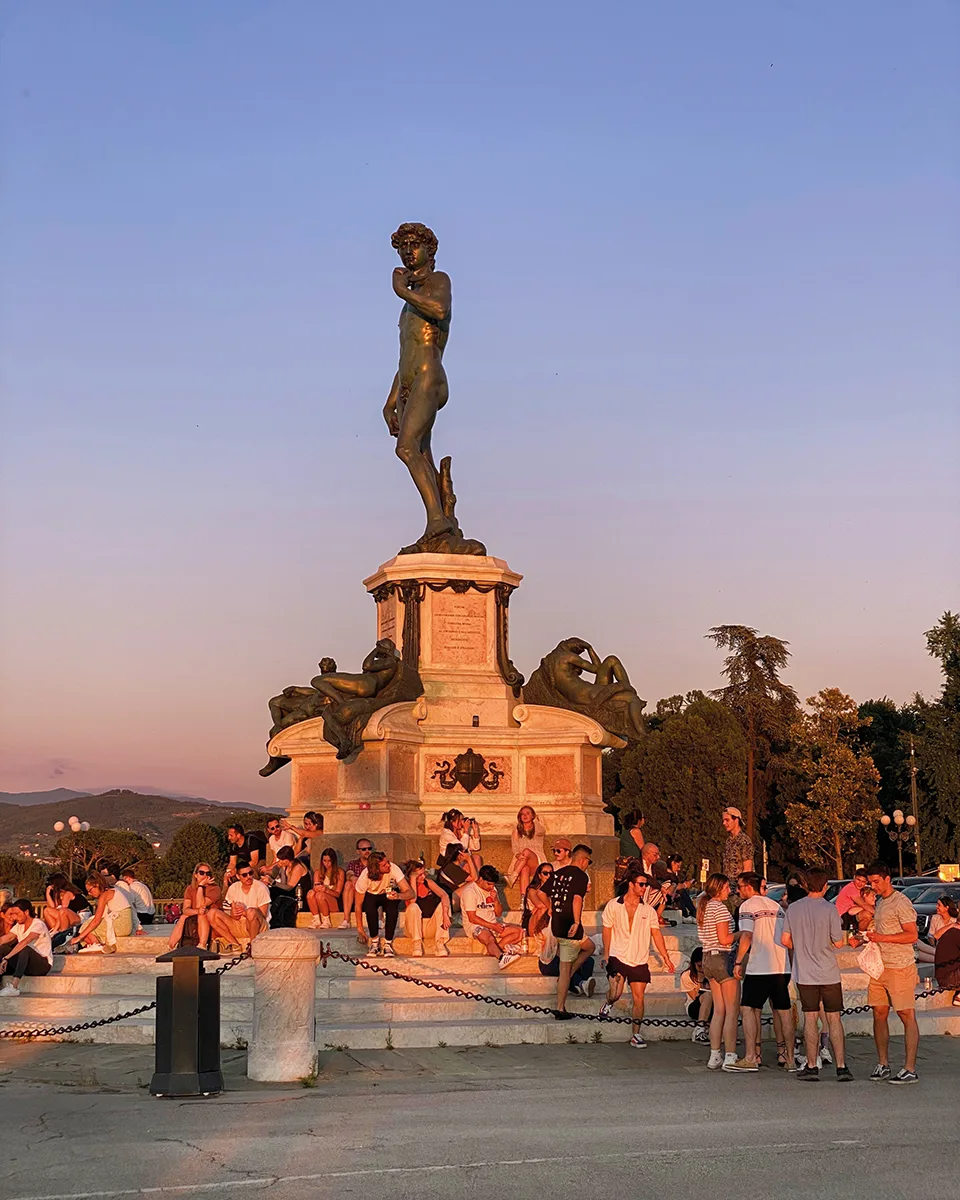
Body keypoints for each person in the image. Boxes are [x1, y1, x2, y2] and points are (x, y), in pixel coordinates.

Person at [781, 866, 852, 1082]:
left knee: (810, 1017)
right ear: (825, 886)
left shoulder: (793, 909)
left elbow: (785, 940)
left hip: (805, 973)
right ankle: (841, 1066)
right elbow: (838, 943)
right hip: (829, 972)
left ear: (804, 885)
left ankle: (811, 1065)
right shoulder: (830, 909)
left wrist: (801, 945)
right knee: (834, 1018)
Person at [599, 865, 675, 1048]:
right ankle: (608, 1002)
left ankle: (636, 1034)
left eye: (646, 885)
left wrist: (665, 957)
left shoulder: (648, 910)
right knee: (616, 993)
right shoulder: (613, 905)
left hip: (639, 958)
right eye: (641, 884)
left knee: (639, 997)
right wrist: (606, 955)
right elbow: (606, 931)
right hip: (618, 954)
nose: (644, 888)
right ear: (631, 885)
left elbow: (656, 934)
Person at [860, 860, 920, 1084]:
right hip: (880, 967)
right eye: (870, 882)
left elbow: (911, 935)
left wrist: (883, 938)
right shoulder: (881, 903)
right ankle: (883, 1063)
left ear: (887, 879)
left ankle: (910, 1068)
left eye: (876, 881)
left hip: (899, 966)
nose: (873, 886)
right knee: (879, 1013)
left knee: (906, 1014)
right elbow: (882, 929)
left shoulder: (900, 902)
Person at [729, 872, 796, 1072]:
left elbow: (747, 935)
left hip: (760, 967)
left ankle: (751, 1056)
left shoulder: (747, 906)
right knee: (783, 1011)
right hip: (781, 966)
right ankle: (790, 1057)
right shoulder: (776, 907)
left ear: (749, 887)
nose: (738, 890)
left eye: (740, 886)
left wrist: (738, 961)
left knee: (748, 1008)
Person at [543, 841, 595, 1018]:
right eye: (589, 861)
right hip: (570, 926)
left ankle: (570, 975)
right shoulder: (580, 876)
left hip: (558, 924)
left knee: (590, 947)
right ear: (583, 860)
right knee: (565, 969)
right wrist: (577, 921)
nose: (588, 865)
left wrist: (550, 907)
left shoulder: (558, 874)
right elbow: (576, 899)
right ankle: (560, 1008)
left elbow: (541, 892)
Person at [697, 873, 740, 1070]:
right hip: (723, 957)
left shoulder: (704, 907)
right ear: (719, 888)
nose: (729, 891)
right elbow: (725, 938)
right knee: (732, 1010)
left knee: (719, 1009)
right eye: (726, 887)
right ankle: (730, 1055)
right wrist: (742, 933)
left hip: (707, 957)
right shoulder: (719, 908)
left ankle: (715, 1055)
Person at [460, 865, 523, 968]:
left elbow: (498, 913)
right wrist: (492, 926)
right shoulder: (470, 891)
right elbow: (472, 918)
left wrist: (496, 901)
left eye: (493, 884)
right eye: (489, 884)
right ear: (481, 879)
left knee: (520, 932)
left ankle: (493, 949)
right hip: (475, 926)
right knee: (490, 938)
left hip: (492, 923)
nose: (491, 887)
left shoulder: (492, 889)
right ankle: (502, 957)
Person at [355, 851, 414, 957]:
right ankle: (374, 942)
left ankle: (388, 943)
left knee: (392, 909)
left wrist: (398, 896)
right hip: (371, 894)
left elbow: (410, 892)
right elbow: (358, 905)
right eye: (384, 865)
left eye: (388, 862)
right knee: (370, 909)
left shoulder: (393, 868)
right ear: (376, 868)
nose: (388, 865)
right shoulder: (364, 877)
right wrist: (360, 929)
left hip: (388, 892)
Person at [66, 872, 135, 953]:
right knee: (87, 927)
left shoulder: (105, 895)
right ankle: (95, 944)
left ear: (97, 885)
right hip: (126, 923)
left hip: (121, 924)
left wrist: (79, 937)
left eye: (90, 890)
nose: (89, 893)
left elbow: (97, 920)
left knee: (86, 927)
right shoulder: (113, 890)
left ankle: (96, 944)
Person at [208, 861, 271, 949]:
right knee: (212, 913)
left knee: (251, 912)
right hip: (239, 924)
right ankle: (235, 945)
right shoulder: (233, 888)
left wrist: (244, 912)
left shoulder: (261, 888)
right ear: (238, 876)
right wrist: (233, 914)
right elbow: (227, 910)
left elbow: (263, 915)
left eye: (250, 873)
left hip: (257, 925)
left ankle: (253, 946)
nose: (248, 877)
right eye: (244, 875)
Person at [0, 900, 54, 996]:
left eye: (17, 914)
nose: (14, 917)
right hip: (26, 964)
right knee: (3, 948)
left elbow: (25, 942)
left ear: (26, 912)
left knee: (25, 948)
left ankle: (14, 987)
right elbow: (5, 939)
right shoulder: (19, 926)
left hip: (41, 965)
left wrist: (6, 958)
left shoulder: (38, 924)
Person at [403, 860, 452, 956]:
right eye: (419, 875)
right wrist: (413, 879)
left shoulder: (428, 882)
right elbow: (413, 900)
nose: (424, 876)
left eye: (423, 873)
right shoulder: (406, 888)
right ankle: (416, 943)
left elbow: (444, 895)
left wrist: (445, 914)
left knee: (444, 904)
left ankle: (440, 943)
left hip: (430, 926)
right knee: (413, 906)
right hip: (414, 928)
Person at [168, 864, 221, 950]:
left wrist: (201, 886)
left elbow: (200, 905)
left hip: (212, 921)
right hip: (196, 918)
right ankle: (170, 946)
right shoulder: (190, 889)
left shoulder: (214, 888)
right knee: (183, 917)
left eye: (208, 873)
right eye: (202, 873)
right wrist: (197, 911)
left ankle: (202, 945)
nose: (205, 876)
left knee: (202, 913)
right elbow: (185, 909)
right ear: (195, 875)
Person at [538, 928, 596, 996]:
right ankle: (581, 983)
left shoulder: (575, 928)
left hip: (570, 957)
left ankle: (577, 985)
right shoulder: (552, 927)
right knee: (565, 965)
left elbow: (589, 947)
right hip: (550, 962)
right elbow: (557, 952)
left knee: (589, 961)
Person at [266, 846, 310, 928]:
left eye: (282, 860)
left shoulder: (297, 867)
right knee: (271, 890)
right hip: (290, 891)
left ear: (288, 859)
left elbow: (289, 887)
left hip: (299, 894)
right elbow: (283, 884)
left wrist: (273, 882)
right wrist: (282, 869)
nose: (280, 862)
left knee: (274, 891)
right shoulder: (286, 866)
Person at [505, 806, 546, 893]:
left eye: (528, 813)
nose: (525, 816)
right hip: (522, 861)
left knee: (526, 851)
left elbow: (543, 831)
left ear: (532, 816)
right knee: (525, 869)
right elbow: (515, 847)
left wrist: (535, 820)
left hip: (536, 861)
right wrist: (517, 854)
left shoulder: (537, 829)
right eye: (522, 814)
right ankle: (524, 900)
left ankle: (513, 876)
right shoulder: (516, 831)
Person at [437, 810, 482, 886]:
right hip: (451, 863)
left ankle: (475, 884)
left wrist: (476, 832)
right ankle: (474, 885)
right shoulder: (446, 834)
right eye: (460, 820)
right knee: (470, 867)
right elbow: (462, 848)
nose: (462, 822)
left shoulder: (460, 832)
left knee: (476, 858)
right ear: (452, 822)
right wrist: (466, 831)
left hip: (460, 860)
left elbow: (476, 847)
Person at [930, 897, 960, 1004]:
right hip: (948, 979)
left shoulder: (954, 929)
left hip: (946, 975)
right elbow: (935, 935)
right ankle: (958, 998)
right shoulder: (956, 932)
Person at [680, 946, 713, 1043]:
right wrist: (700, 980)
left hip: (714, 1006)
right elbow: (695, 997)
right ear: (693, 964)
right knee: (707, 995)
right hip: (694, 1007)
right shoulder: (686, 976)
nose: (702, 968)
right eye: (699, 966)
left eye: (704, 965)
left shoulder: (712, 974)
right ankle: (700, 1029)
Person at [41, 873, 88, 939]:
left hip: (82, 916)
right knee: (47, 910)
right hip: (71, 914)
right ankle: (56, 932)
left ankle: (61, 933)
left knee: (62, 911)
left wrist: (55, 929)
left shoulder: (68, 894)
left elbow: (62, 911)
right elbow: (53, 907)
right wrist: (48, 893)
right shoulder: (59, 893)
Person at [309, 847, 346, 929]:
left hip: (334, 901)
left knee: (320, 895)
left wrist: (326, 890)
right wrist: (317, 888)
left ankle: (326, 921)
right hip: (320, 900)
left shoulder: (339, 872)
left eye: (329, 861)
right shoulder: (318, 872)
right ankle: (316, 920)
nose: (326, 864)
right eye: (324, 861)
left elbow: (337, 894)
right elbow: (315, 888)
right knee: (310, 893)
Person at [343, 839, 375, 931]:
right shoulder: (353, 864)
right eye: (364, 849)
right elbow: (348, 874)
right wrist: (353, 877)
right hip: (357, 893)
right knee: (348, 884)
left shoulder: (375, 864)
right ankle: (346, 920)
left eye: (369, 848)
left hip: (371, 892)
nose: (367, 851)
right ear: (358, 851)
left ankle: (380, 919)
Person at [522, 862, 554, 949]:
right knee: (542, 910)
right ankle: (537, 934)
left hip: (546, 919)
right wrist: (546, 905)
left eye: (551, 873)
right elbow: (540, 905)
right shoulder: (532, 890)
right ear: (539, 876)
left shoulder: (553, 889)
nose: (548, 876)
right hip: (532, 921)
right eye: (545, 873)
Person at [664, 854, 697, 921]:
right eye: (678, 866)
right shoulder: (667, 874)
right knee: (682, 891)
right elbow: (674, 886)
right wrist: (684, 885)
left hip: (670, 897)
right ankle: (692, 912)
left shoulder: (670, 874)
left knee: (680, 893)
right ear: (673, 863)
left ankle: (687, 914)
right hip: (666, 898)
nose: (678, 869)